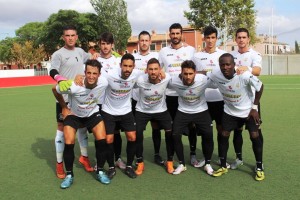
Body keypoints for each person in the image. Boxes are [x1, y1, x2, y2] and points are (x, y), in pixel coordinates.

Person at [52, 59, 110, 189]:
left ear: (99, 75)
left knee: (102, 140)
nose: (91, 76)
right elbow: (55, 90)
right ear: (84, 73)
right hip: (74, 116)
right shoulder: (74, 85)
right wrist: (64, 107)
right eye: (88, 73)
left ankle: (100, 171)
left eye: (94, 73)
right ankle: (69, 175)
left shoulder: (104, 82)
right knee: (69, 142)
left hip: (92, 114)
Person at [210, 53, 265, 181]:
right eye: (222, 64)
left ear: (234, 65)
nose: (225, 67)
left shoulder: (244, 75)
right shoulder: (215, 74)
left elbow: (260, 86)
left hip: (248, 111)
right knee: (223, 134)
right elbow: (203, 76)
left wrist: (255, 108)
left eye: (228, 64)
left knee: (254, 135)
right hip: (230, 111)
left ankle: (259, 167)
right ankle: (223, 166)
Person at [49, 25, 93, 179]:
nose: (70, 38)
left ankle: (84, 158)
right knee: (61, 128)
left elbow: (92, 58)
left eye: (73, 35)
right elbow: (52, 70)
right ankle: (60, 163)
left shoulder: (80, 52)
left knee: (82, 127)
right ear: (63, 37)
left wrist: (111, 55)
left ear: (77, 36)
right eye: (67, 35)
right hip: (64, 99)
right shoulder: (58, 54)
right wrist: (60, 79)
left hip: (80, 98)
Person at [159, 23, 197, 172]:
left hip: (187, 94)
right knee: (172, 127)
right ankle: (173, 155)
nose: (175, 36)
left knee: (192, 125)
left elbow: (196, 69)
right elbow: (158, 68)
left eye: (177, 33)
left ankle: (192, 154)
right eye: (172, 33)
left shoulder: (190, 50)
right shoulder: (163, 51)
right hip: (170, 95)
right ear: (170, 35)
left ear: (182, 35)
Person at [168, 60, 215, 175]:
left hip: (201, 110)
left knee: (208, 134)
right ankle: (182, 164)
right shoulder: (174, 80)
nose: (188, 77)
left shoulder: (203, 79)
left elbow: (217, 80)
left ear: (195, 72)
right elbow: (161, 80)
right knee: (175, 134)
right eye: (185, 74)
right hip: (183, 111)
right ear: (181, 73)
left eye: (190, 74)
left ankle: (207, 163)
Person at [192, 26, 230, 168]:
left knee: (222, 131)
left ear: (216, 38)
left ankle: (222, 158)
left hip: (220, 100)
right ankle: (206, 158)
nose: (210, 40)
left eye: (213, 37)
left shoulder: (223, 55)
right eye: (207, 37)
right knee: (206, 132)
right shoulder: (196, 56)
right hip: (204, 100)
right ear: (204, 39)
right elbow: (194, 74)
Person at [101, 53, 140, 179]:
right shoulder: (110, 75)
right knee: (108, 140)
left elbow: (150, 72)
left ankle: (129, 166)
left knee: (132, 137)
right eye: (125, 66)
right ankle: (111, 167)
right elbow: (94, 76)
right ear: (120, 65)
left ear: (134, 66)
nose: (127, 69)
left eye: (130, 66)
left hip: (126, 111)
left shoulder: (136, 74)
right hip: (109, 111)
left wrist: (160, 71)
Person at [230, 28, 263, 170]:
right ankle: (238, 159)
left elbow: (257, 71)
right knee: (237, 131)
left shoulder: (255, 54)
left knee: (254, 134)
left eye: (244, 37)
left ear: (248, 39)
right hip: (235, 100)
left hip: (251, 101)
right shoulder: (230, 55)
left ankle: (259, 165)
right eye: (239, 37)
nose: (241, 40)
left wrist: (245, 68)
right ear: (235, 39)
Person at [134, 58, 173, 175]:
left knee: (170, 132)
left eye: (156, 69)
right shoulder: (140, 80)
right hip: (142, 111)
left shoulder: (167, 78)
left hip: (160, 110)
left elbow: (182, 79)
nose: (153, 72)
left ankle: (169, 161)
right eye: (150, 69)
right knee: (138, 133)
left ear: (160, 70)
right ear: (146, 70)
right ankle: (140, 162)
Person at [133, 31, 164, 166]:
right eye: (142, 40)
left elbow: (163, 71)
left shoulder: (157, 56)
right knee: (137, 130)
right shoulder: (133, 57)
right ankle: (137, 155)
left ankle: (157, 154)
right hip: (136, 99)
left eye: (146, 40)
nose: (144, 43)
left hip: (154, 99)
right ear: (138, 42)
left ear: (150, 42)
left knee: (156, 127)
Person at [96, 32, 125, 170]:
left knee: (116, 132)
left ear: (112, 45)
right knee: (100, 133)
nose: (105, 46)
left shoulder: (118, 62)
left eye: (108, 43)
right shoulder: (95, 61)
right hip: (99, 102)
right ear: (99, 45)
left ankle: (118, 158)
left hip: (115, 102)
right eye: (103, 43)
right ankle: (100, 160)